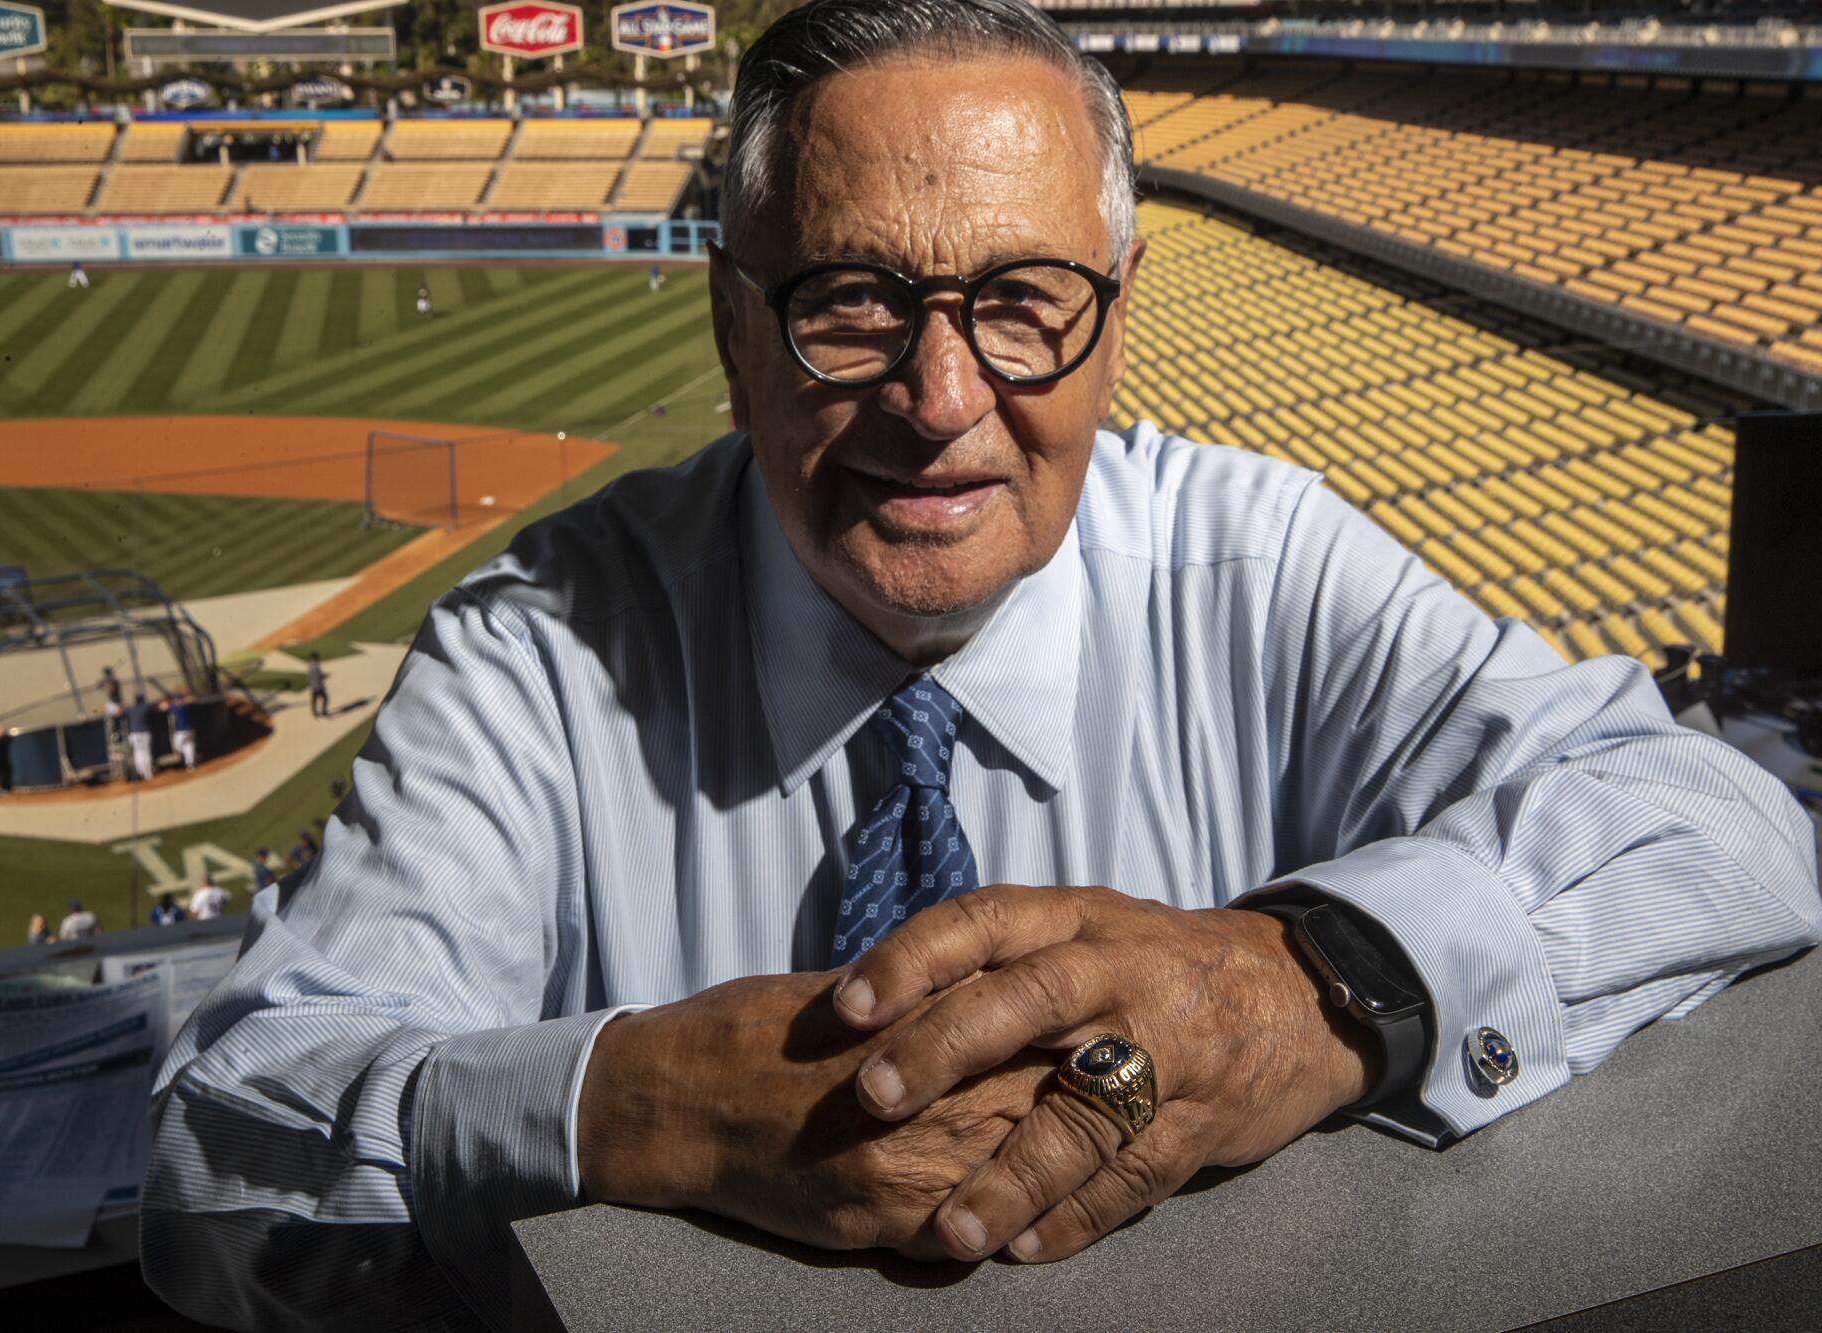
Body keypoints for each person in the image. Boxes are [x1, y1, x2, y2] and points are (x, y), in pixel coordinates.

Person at [143, 4, 1822, 1325]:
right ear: (733, 325)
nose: (942, 401)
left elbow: (1731, 816)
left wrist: (1315, 983)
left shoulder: (1267, 556)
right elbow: (221, 1137)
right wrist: (622, 1101)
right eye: (854, 304)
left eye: (1024, 301)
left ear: (1117, 305)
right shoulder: (545, 643)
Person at [126, 693, 156, 782]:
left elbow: (118, 712)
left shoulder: (130, 709)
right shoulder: (145, 707)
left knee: (137, 754)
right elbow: (155, 705)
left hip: (134, 735)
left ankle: (140, 772)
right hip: (144, 734)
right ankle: (148, 774)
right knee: (145, 753)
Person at [167, 696, 197, 772]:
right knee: (188, 747)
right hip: (189, 730)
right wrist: (184, 701)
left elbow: (164, 706)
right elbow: (192, 699)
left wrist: (181, 701)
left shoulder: (175, 707)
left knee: (179, 747)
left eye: (177, 700)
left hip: (181, 732)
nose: (176, 702)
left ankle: (189, 762)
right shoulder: (185, 706)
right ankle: (190, 764)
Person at [98, 666, 124, 736]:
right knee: (108, 719)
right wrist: (104, 681)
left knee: (117, 718)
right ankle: (113, 732)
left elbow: (112, 689)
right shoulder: (106, 680)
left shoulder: (114, 681)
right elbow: (99, 686)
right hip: (110, 702)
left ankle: (118, 732)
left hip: (116, 703)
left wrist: (108, 682)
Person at [305, 652, 328, 718]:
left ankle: (314, 712)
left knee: (314, 700)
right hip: (319, 687)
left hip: (313, 687)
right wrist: (325, 676)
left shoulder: (310, 666)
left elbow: (309, 677)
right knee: (325, 698)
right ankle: (323, 711)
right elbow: (319, 677)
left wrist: (309, 685)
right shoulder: (316, 667)